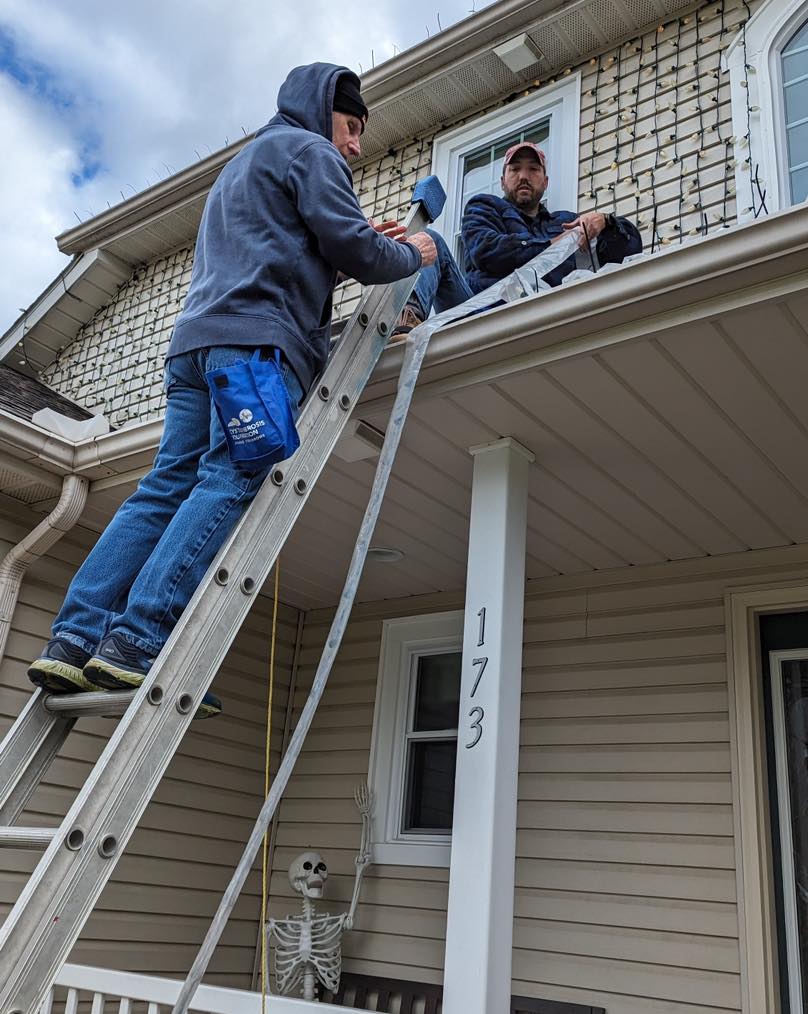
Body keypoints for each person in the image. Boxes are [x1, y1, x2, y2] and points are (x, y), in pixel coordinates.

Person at [26, 63, 437, 716]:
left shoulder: (245, 167)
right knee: (231, 477)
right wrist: (413, 251)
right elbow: (357, 256)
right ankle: (135, 642)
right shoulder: (311, 149)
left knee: (165, 486)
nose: (355, 145)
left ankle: (75, 638)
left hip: (196, 348)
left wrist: (358, 240)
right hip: (255, 347)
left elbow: (291, 246)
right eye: (352, 126)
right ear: (320, 107)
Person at [461, 142, 642, 293]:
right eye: (515, 169)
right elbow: (488, 252)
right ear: (502, 182)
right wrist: (553, 246)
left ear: (545, 182)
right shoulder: (484, 207)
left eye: (533, 169)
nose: (523, 176)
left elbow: (630, 252)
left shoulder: (566, 222)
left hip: (556, 316)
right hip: (492, 315)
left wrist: (605, 221)